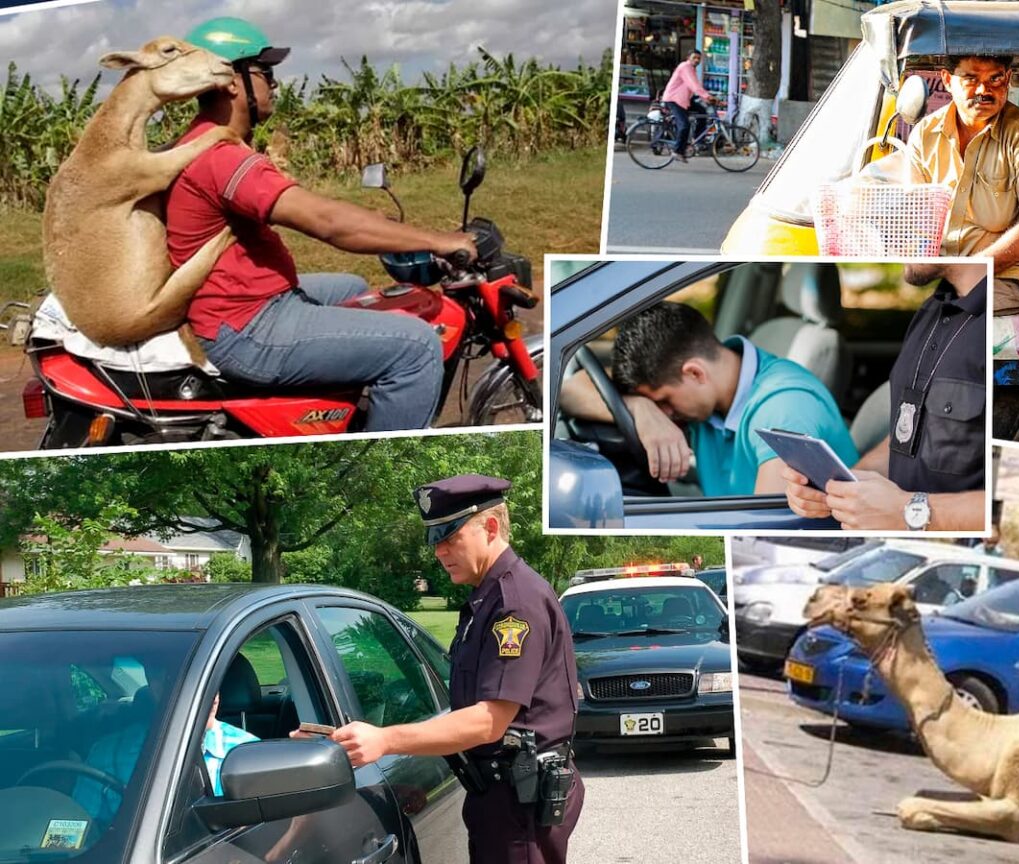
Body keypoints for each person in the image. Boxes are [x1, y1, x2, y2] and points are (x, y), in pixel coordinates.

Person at [167, 17, 478, 432]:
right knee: (416, 347)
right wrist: (436, 240)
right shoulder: (221, 156)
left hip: (239, 302)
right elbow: (328, 224)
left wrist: (374, 223)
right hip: (245, 325)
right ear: (231, 81)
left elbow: (313, 207)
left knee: (352, 287)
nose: (274, 85)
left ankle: (341, 414)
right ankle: (379, 480)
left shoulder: (205, 140)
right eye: (266, 72)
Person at [321, 475, 582, 864]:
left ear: (490, 527)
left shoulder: (515, 603)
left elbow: (489, 722)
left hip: (519, 805)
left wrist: (385, 740)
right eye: (435, 540)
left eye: (450, 537)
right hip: (500, 797)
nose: (440, 552)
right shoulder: (487, 597)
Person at [558, 302, 856, 496]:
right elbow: (570, 390)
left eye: (663, 401)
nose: (666, 414)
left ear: (695, 373)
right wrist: (641, 409)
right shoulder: (710, 394)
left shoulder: (783, 409)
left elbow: (764, 521)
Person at [782, 260, 987, 531]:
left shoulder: (1005, 330)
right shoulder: (932, 309)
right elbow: (908, 438)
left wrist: (908, 511)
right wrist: (845, 486)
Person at [906, 54, 1019, 315]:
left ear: (1008, 79)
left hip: (1007, 281)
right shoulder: (925, 134)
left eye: (995, 79)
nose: (983, 90)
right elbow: (916, 216)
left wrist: (970, 269)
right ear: (947, 80)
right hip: (948, 276)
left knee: (950, 324)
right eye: (970, 78)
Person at [661, 50, 712, 159]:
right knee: (685, 125)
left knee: (703, 112)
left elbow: (696, 86)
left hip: (684, 100)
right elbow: (694, 86)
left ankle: (697, 139)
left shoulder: (692, 69)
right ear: (688, 57)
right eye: (694, 58)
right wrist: (708, 97)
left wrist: (706, 97)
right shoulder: (685, 67)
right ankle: (677, 151)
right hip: (674, 100)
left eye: (699, 58)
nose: (697, 60)